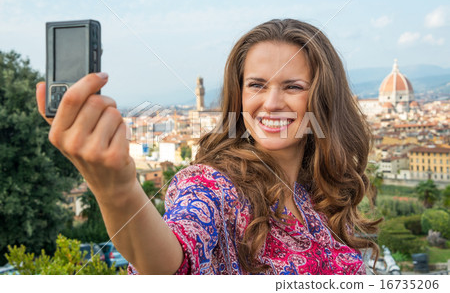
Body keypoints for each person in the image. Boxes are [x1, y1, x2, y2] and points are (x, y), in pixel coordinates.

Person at [36, 18, 380, 275]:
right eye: (257, 85)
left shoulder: (320, 194)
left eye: (292, 87)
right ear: (240, 94)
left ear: (322, 97)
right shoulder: (211, 186)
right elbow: (172, 260)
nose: (272, 103)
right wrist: (118, 190)